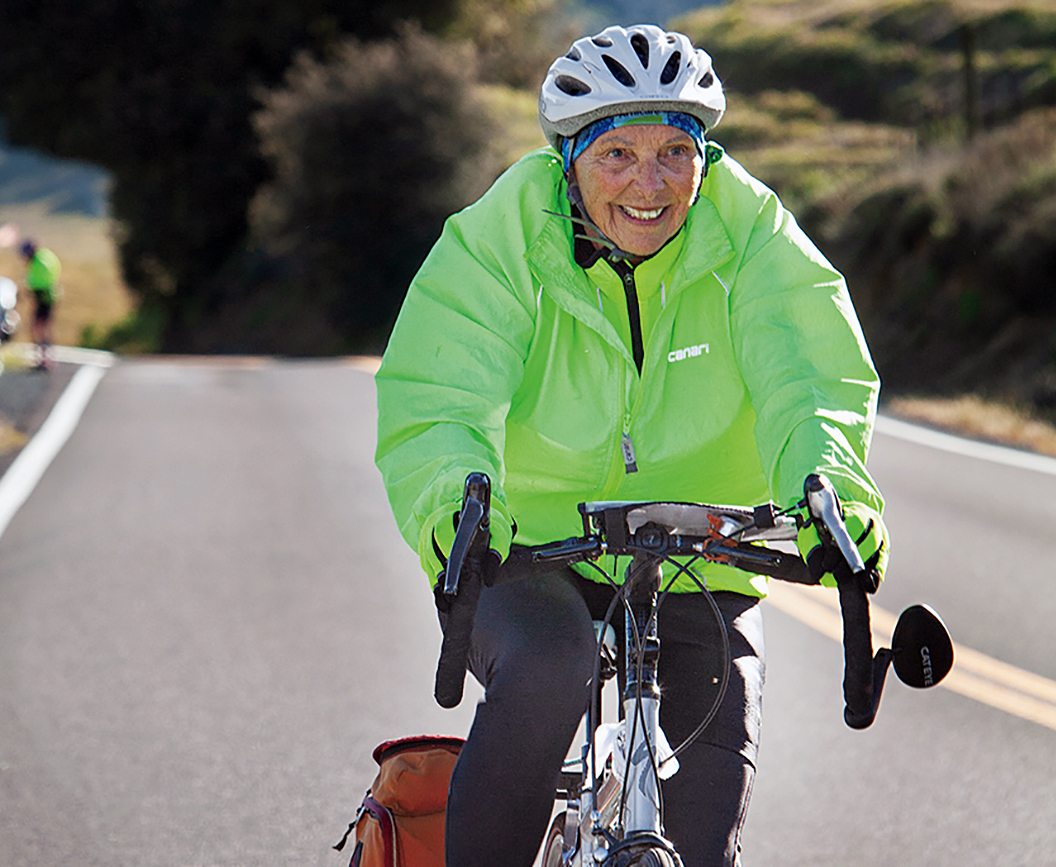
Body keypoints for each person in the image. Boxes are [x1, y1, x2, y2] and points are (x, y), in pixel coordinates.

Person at [374, 24, 889, 867]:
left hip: (702, 552)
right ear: (569, 161)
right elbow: (441, 392)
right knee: (550, 666)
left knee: (705, 814)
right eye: (617, 153)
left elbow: (810, 377)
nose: (649, 185)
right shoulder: (504, 235)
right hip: (529, 546)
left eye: (675, 153)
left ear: (703, 157)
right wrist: (454, 508)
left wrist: (830, 490)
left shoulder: (751, 232)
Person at [19, 239, 62, 370]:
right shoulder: (44, 257)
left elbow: (36, 281)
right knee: (43, 327)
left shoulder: (38, 262)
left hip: (44, 298)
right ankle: (46, 357)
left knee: (40, 328)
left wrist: (30, 288)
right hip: (47, 296)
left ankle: (45, 358)